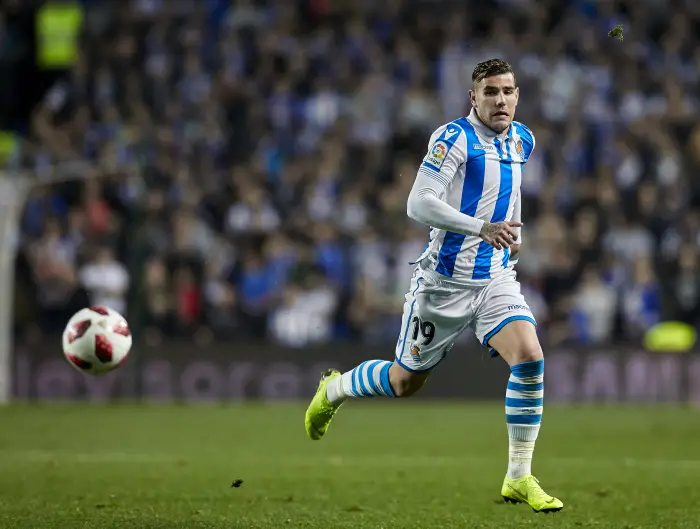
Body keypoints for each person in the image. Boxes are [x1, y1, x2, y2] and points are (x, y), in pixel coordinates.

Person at [304, 58, 563, 513]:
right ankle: (335, 389)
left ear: (517, 95)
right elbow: (418, 203)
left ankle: (518, 477)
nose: (500, 100)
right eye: (490, 92)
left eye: (507, 91)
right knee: (405, 382)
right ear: (473, 97)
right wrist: (481, 227)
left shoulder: (523, 138)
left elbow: (513, 187)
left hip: (494, 278)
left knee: (530, 356)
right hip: (443, 284)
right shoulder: (453, 138)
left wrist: (513, 233)